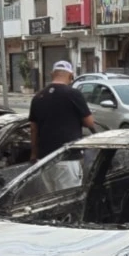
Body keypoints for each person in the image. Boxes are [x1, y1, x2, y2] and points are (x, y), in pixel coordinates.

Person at [28, 61, 96, 190]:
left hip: (45, 159)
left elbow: (33, 129)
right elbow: (89, 123)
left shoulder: (38, 96)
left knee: (52, 198)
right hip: (67, 158)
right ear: (71, 75)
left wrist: (34, 154)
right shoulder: (73, 94)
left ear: (52, 74)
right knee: (68, 198)